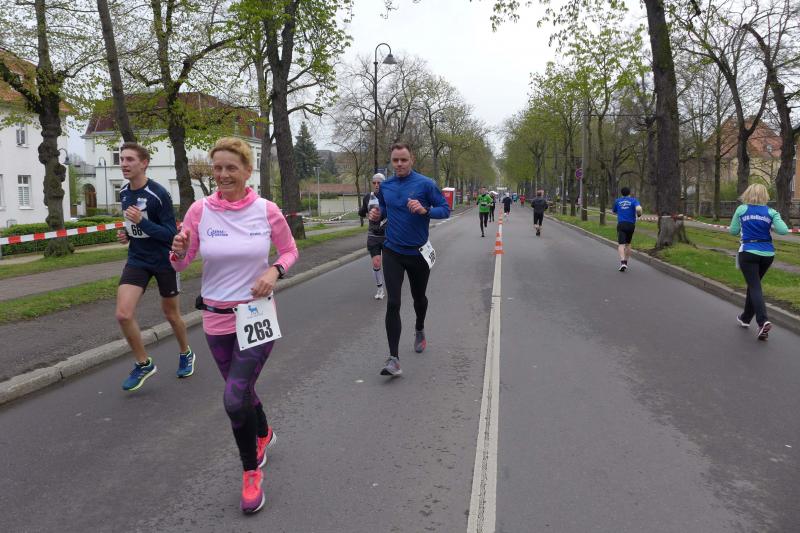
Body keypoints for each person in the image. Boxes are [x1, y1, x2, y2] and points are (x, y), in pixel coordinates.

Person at [170, 137, 299, 513]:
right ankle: (263, 432)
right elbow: (181, 262)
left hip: (256, 315)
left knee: (233, 397)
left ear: (247, 170)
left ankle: (250, 474)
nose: (223, 174)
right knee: (241, 390)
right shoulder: (199, 211)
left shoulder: (266, 210)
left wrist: (274, 272)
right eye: (217, 168)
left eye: (231, 167)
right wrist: (178, 252)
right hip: (215, 317)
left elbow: (290, 250)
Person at [115, 142, 192, 392]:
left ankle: (186, 352)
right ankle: (143, 363)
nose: (124, 164)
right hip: (137, 259)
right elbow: (135, 227)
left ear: (144, 163)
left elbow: (170, 234)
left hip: (164, 260)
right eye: (121, 159)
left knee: (171, 315)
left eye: (130, 159)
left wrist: (141, 223)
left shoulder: (159, 194)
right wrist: (128, 234)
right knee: (123, 314)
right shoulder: (124, 192)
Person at [368, 142, 450, 377]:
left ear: (411, 159)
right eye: (395, 160)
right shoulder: (386, 186)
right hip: (392, 251)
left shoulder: (426, 184)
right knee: (393, 303)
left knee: (418, 298)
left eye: (403, 160)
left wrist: (425, 211)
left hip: (418, 253)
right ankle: (393, 359)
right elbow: (385, 209)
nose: (399, 164)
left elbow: (445, 209)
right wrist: (377, 214)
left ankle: (419, 327)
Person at [729, 183, 788, 340]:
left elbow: (733, 231)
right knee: (753, 284)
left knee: (755, 286)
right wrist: (771, 224)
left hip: (748, 252)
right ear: (765, 196)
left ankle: (762, 322)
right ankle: (745, 318)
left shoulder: (741, 209)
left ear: (747, 194)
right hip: (767, 254)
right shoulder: (771, 212)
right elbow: (783, 230)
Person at [358, 173, 388, 299]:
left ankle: (392, 286)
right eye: (374, 183)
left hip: (388, 235)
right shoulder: (368, 197)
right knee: (376, 263)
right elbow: (362, 211)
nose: (376, 185)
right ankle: (380, 289)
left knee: (389, 265)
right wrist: (363, 212)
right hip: (373, 235)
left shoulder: (389, 196)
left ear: (383, 183)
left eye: (379, 183)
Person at [612, 187, 642, 272]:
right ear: (629, 193)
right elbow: (638, 208)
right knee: (628, 244)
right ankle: (626, 261)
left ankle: (622, 262)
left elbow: (614, 211)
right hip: (631, 224)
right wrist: (639, 214)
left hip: (621, 224)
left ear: (621, 193)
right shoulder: (634, 200)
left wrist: (620, 211)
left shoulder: (617, 201)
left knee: (621, 244)